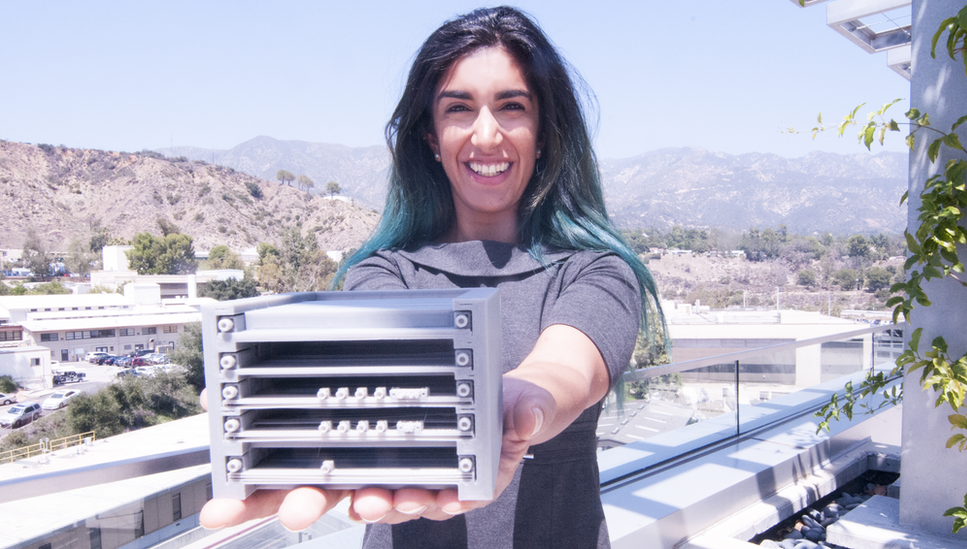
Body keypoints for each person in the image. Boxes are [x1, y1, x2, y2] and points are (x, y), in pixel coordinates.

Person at [200, 6, 664, 549]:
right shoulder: (381, 273)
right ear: (430, 135)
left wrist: (518, 401)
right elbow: (362, 373)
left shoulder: (598, 272)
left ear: (544, 132)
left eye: (512, 107)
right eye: (459, 109)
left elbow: (566, 368)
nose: (486, 135)